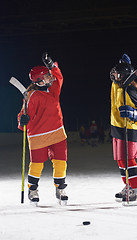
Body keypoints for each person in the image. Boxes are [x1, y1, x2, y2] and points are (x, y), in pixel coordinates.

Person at [17, 52, 68, 205]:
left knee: (60, 162)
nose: (49, 77)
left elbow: (59, 77)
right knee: (37, 164)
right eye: (46, 76)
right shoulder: (31, 96)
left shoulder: (53, 90)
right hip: (38, 135)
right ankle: (33, 189)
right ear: (38, 81)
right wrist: (23, 120)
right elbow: (23, 115)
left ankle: (60, 188)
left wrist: (52, 66)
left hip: (58, 133)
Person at [110, 53, 137, 203]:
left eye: (117, 74)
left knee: (129, 160)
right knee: (120, 161)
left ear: (124, 76)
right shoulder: (117, 86)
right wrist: (124, 64)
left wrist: (132, 113)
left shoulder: (130, 89)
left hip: (129, 129)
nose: (114, 76)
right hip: (117, 127)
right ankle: (128, 186)